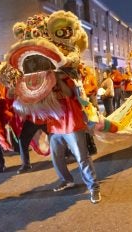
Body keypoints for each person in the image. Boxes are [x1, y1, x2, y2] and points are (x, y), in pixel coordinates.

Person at [48, 70, 101, 204]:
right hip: (54, 125)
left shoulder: (67, 77)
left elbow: (70, 94)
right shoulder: (44, 80)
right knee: (56, 156)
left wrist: (57, 79)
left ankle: (93, 187)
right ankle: (66, 180)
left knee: (82, 157)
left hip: (71, 123)